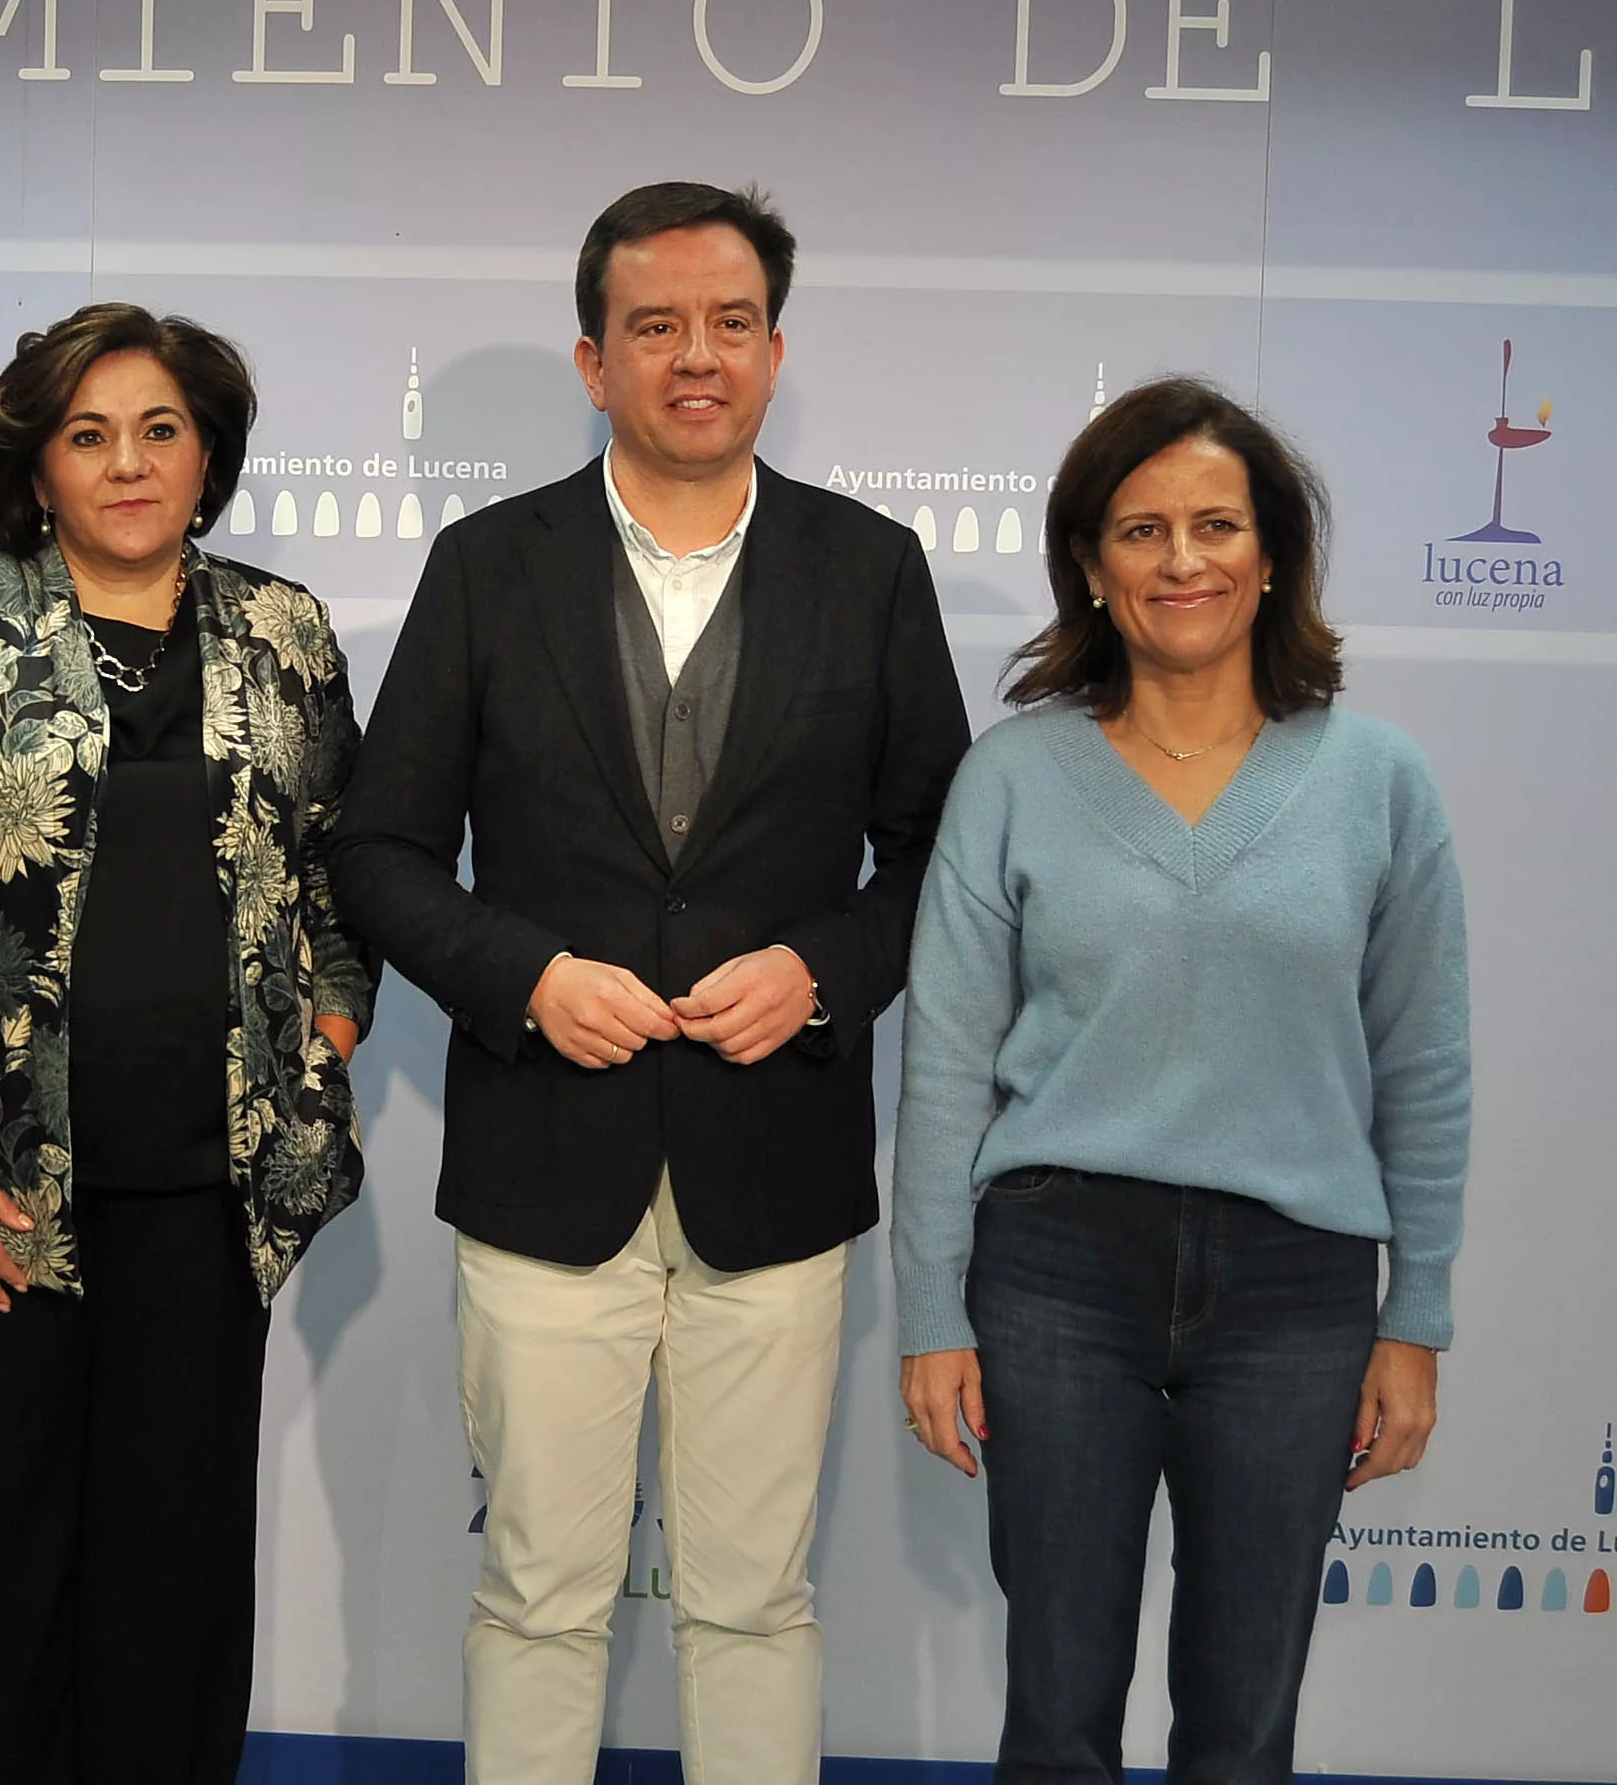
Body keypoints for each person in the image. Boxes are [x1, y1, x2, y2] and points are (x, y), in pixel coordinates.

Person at [331, 183, 971, 1784]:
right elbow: (383, 851)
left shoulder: (872, 568)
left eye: (731, 324)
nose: (699, 356)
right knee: (540, 1594)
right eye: (657, 327)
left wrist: (824, 974)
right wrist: (526, 973)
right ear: (593, 359)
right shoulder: (488, 567)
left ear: (775, 352)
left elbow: (945, 857)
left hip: (778, 1172)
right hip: (548, 1161)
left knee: (755, 1603)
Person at [0, 301, 376, 1784]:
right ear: (36, 465)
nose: (129, 463)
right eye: (89, 434)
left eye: (161, 430)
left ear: (209, 455)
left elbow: (338, 869)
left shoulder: (283, 630)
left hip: (207, 1198)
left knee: (174, 1604)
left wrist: (327, 1027)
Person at [892, 378, 1472, 1784]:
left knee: (1244, 1722)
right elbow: (947, 1062)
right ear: (1092, 565)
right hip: (1056, 1276)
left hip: (1297, 1286)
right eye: (1141, 530)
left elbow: (1426, 1064)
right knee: (1058, 1714)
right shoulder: (1014, 776)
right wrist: (930, 1309)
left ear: (1274, 555)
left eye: (1218, 524)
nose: (1182, 559)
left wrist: (1420, 1314)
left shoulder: (1380, 780)